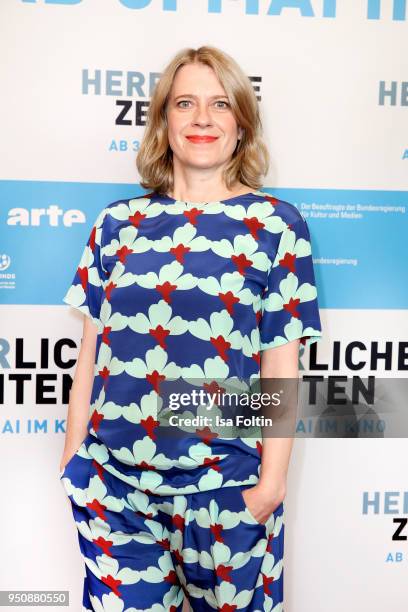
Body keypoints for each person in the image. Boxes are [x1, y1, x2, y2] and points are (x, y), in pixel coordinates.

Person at [59, 45, 322, 612]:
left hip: (224, 493)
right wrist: (73, 462)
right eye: (185, 103)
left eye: (220, 104)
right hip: (115, 492)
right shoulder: (117, 225)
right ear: (163, 122)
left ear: (241, 127)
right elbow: (91, 355)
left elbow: (280, 363)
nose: (202, 118)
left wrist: (269, 485)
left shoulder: (276, 225)